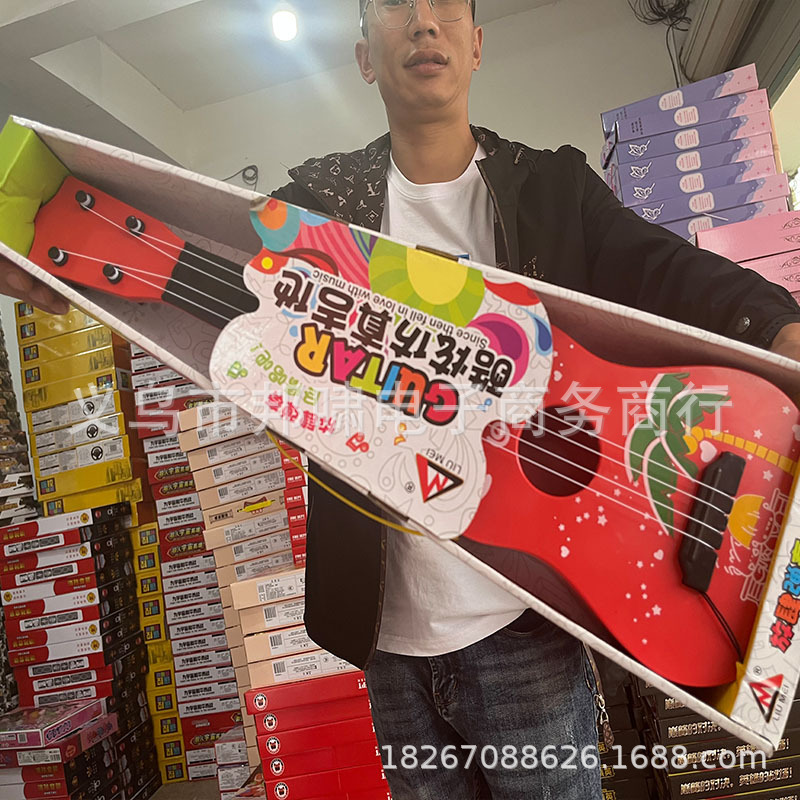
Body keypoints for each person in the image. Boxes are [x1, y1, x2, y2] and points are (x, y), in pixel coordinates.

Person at [2, 1, 800, 797]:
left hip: (525, 630)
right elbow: (189, 249)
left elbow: (668, 268)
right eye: (394, 6)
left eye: (446, 6)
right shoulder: (318, 206)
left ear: (477, 45)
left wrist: (780, 328)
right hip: (386, 635)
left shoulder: (552, 190)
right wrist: (46, 267)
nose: (423, 22)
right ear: (363, 57)